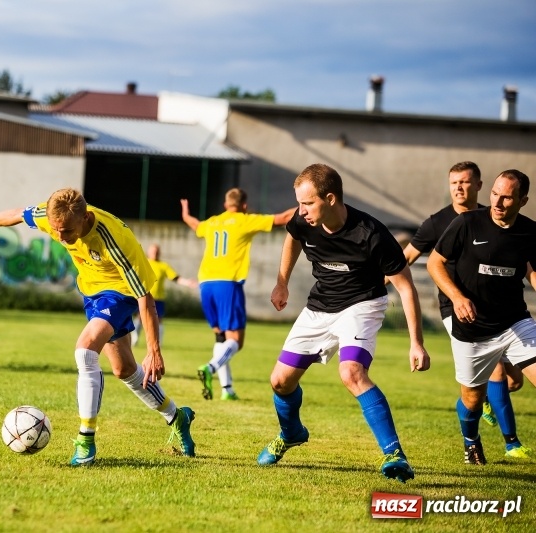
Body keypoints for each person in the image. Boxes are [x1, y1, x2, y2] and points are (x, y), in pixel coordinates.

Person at [0, 188, 195, 466]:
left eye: (66, 231)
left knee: (85, 350)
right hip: (92, 292)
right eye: (55, 230)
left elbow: (145, 298)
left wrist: (154, 349)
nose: (61, 237)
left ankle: (86, 441)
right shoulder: (54, 215)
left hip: (121, 294)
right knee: (124, 369)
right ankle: (177, 416)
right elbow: (17, 214)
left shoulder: (115, 242)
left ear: (85, 218)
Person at [259, 163, 430, 483]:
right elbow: (292, 237)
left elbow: (406, 289)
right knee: (280, 381)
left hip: (362, 305)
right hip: (320, 306)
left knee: (350, 372)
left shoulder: (373, 235)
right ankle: (292, 432)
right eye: (299, 203)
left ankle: (395, 455)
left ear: (331, 199)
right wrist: (281, 281)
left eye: (308, 203)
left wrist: (416, 343)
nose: (301, 211)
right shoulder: (304, 220)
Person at [402, 161, 529, 458]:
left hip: (507, 316)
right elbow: (413, 258)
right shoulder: (444, 222)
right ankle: (495, 441)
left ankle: (505, 433)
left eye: (465, 182)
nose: (458, 188)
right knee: (487, 381)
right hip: (460, 313)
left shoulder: (512, 225)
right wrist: (375, 282)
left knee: (511, 379)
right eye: (453, 182)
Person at [181, 189, 295, 401]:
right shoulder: (244, 220)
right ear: (243, 205)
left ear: (225, 205)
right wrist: (308, 205)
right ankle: (211, 367)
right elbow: (282, 218)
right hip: (228, 283)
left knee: (220, 335)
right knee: (236, 340)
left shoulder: (213, 222)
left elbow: (195, 224)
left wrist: (185, 213)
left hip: (205, 283)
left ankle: (227, 389)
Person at [130, 243, 197, 347]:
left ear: (159, 253)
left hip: (158, 298)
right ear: (148, 252)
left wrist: (187, 283)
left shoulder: (163, 266)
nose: (155, 253)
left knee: (159, 320)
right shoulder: (144, 263)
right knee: (140, 317)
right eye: (153, 251)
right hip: (144, 296)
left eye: (157, 251)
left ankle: (158, 342)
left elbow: (175, 278)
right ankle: (135, 338)